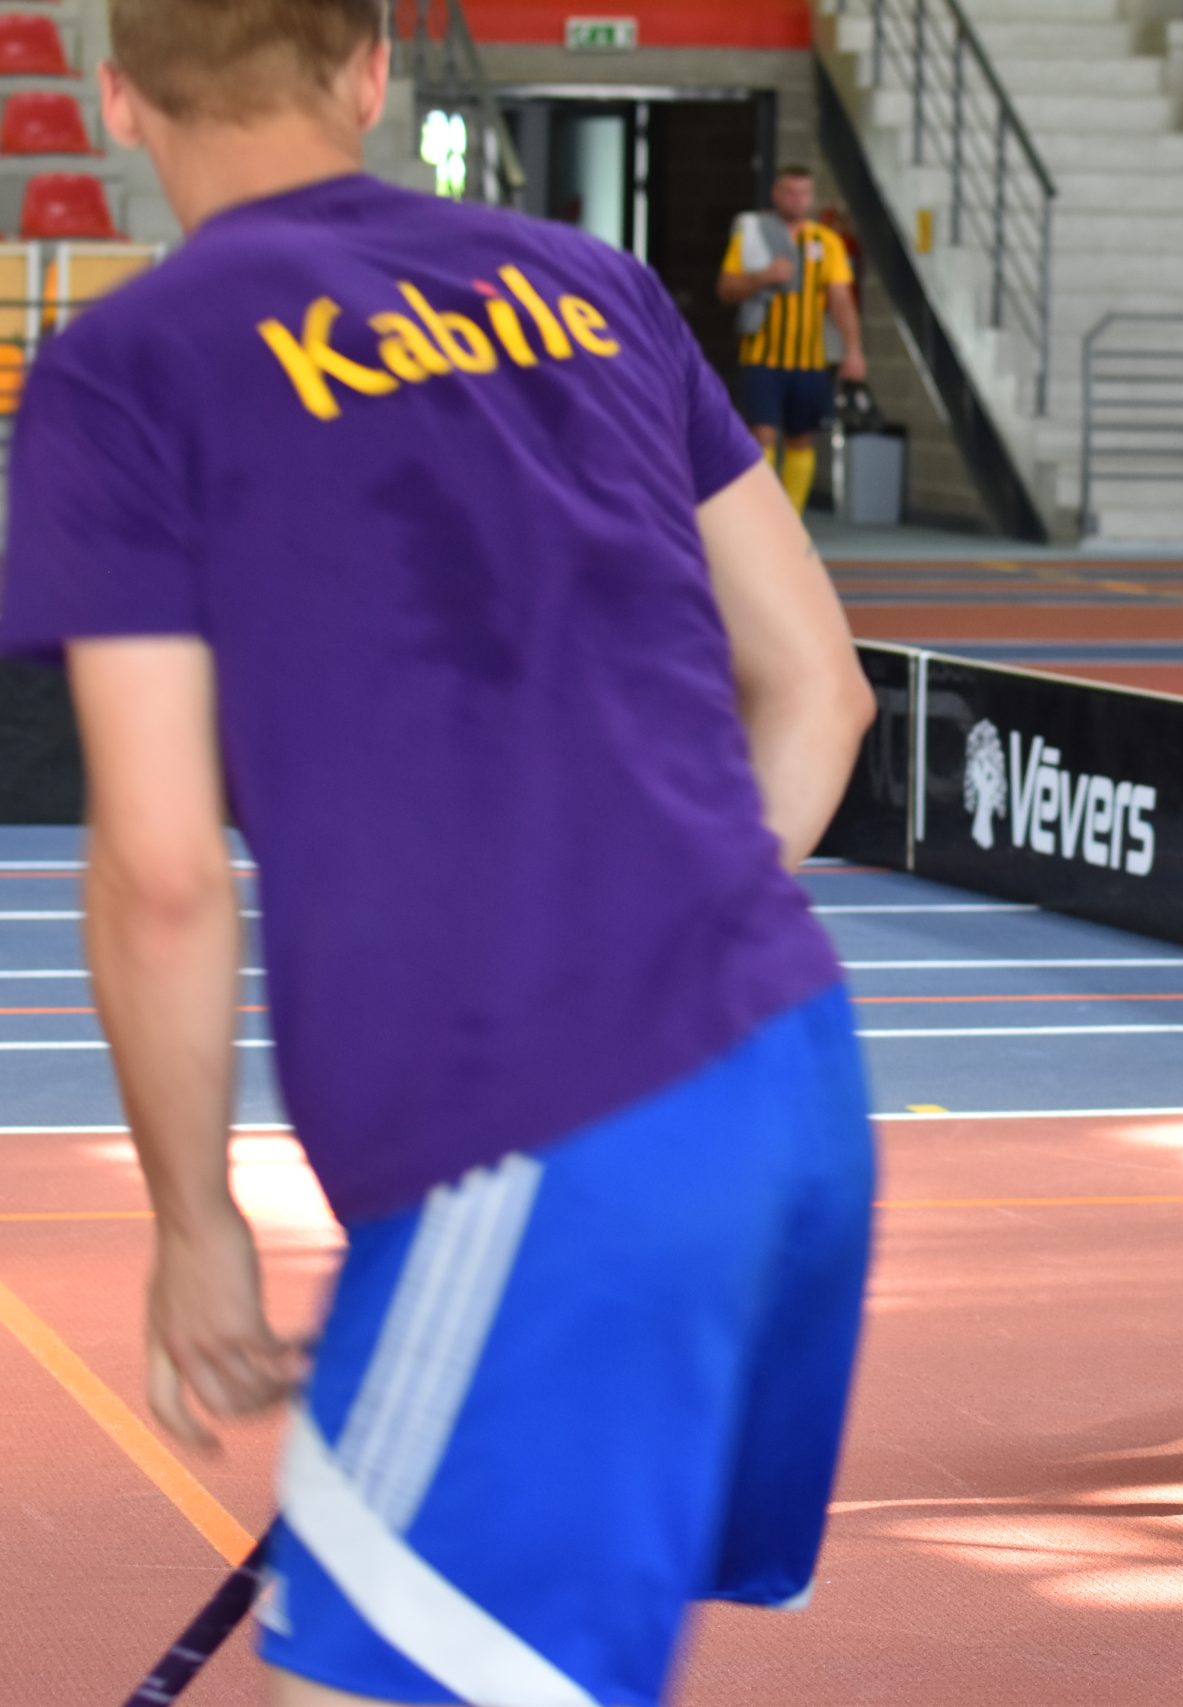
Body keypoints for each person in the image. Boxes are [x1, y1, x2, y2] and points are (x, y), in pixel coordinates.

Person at [0, 4, 879, 1703]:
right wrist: (671, 944)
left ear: (117, 97)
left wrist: (194, 1219)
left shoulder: (132, 362)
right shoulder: (594, 284)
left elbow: (162, 871)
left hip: (547, 1135)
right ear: (368, 72)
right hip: (790, 1075)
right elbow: (823, 691)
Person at [719, 164, 867, 516]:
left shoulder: (826, 242)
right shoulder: (753, 235)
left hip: (810, 359)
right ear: (775, 194)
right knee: (763, 435)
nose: (796, 199)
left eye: (803, 193)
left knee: (801, 438)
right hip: (762, 355)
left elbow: (841, 300)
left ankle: (791, 516)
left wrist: (853, 350)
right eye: (789, 192)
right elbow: (726, 289)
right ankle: (762, 514)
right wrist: (764, 277)